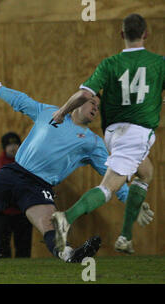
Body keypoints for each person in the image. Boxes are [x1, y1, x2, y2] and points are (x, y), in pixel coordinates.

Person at [0, 62, 141, 266]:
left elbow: (112, 175)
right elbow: (21, 101)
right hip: (11, 175)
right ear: (78, 101)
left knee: (51, 228)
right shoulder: (49, 112)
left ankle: (70, 255)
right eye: (92, 102)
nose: (95, 108)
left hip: (38, 187)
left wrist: (131, 200)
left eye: (98, 107)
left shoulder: (94, 143)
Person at [51, 14, 161, 254]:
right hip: (136, 133)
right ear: (146, 34)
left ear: (122, 35)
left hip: (113, 133)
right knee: (108, 188)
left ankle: (125, 237)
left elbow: (83, 95)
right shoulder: (158, 63)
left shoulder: (109, 64)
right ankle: (66, 218)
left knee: (146, 172)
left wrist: (62, 112)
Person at [0, 132, 32, 258]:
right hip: (4, 211)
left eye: (15, 144)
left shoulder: (27, 161)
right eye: (9, 145)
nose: (13, 147)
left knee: (24, 247)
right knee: (2, 248)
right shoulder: (1, 163)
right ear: (4, 147)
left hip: (22, 211)